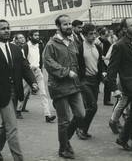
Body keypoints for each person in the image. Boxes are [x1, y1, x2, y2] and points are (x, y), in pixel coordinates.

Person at [0, 19, 38, 161]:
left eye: (8, 28)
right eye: (3, 28)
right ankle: (19, 158)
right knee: (12, 127)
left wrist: (33, 83)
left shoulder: (16, 49)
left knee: (6, 124)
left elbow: (25, 68)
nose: (7, 30)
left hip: (16, 91)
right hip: (1, 93)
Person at [43, 14, 85, 159]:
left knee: (81, 114)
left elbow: (77, 62)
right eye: (65, 24)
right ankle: (63, 148)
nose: (68, 27)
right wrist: (67, 72)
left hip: (74, 86)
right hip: (59, 87)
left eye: (69, 24)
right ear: (58, 27)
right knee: (64, 120)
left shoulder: (72, 42)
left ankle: (65, 140)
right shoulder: (51, 44)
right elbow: (48, 63)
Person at [107, 18, 132, 152]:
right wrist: (114, 89)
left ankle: (123, 139)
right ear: (125, 29)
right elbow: (112, 69)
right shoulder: (119, 46)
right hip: (129, 84)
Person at [16, 30, 56, 122]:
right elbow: (24, 60)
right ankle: (18, 110)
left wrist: (40, 69)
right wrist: (29, 68)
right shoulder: (26, 46)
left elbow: (40, 58)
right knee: (24, 92)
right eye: (35, 35)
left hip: (38, 71)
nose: (37, 37)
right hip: (29, 73)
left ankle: (47, 115)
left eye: (38, 35)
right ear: (30, 36)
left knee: (43, 93)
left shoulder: (39, 45)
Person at [76, 23, 105, 140]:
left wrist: (103, 72)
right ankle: (80, 128)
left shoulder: (98, 47)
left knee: (91, 107)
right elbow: (77, 65)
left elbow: (100, 63)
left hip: (95, 80)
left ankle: (83, 129)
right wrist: (79, 80)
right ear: (84, 35)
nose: (94, 36)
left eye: (95, 33)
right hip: (85, 81)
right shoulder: (80, 48)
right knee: (93, 106)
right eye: (91, 34)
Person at [95, 26, 113, 106]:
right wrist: (101, 56)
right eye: (105, 36)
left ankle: (107, 100)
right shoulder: (96, 42)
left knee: (107, 82)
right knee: (96, 83)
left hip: (106, 64)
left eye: (107, 36)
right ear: (101, 34)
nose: (107, 37)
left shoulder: (107, 42)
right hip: (97, 64)